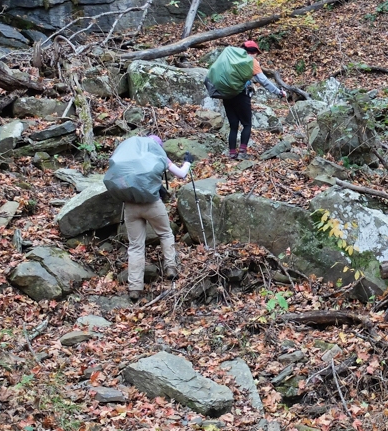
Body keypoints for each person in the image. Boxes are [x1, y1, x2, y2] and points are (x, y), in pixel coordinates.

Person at [103, 135, 191, 302]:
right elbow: (181, 175)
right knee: (165, 234)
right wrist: (188, 161)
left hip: (130, 206)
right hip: (152, 203)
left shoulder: (129, 159)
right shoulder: (158, 155)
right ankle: (170, 267)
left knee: (136, 246)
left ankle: (135, 288)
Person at [208, 40, 286, 159]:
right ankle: (242, 152)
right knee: (247, 124)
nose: (256, 55)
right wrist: (278, 92)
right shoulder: (251, 62)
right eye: (256, 53)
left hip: (227, 95)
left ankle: (232, 152)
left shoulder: (230, 59)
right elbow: (263, 81)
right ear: (254, 52)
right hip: (241, 95)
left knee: (233, 126)